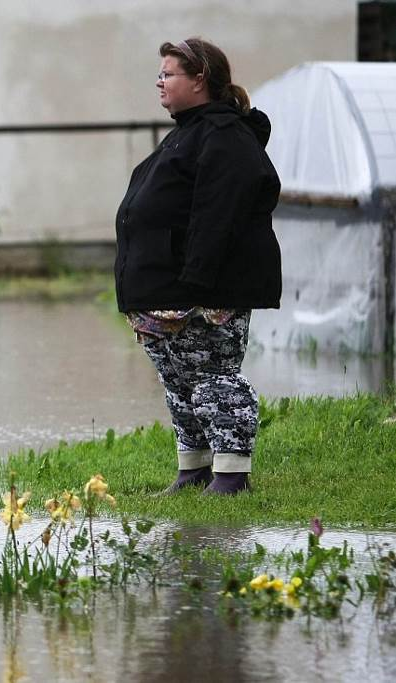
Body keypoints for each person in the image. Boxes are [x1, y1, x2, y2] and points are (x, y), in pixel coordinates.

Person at [114, 38, 282, 496]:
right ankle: (194, 470)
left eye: (169, 73)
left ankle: (231, 476)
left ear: (200, 79)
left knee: (213, 380)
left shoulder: (225, 135)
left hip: (203, 294)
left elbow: (219, 214)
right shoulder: (189, 130)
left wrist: (196, 283)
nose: (159, 81)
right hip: (168, 291)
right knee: (180, 384)